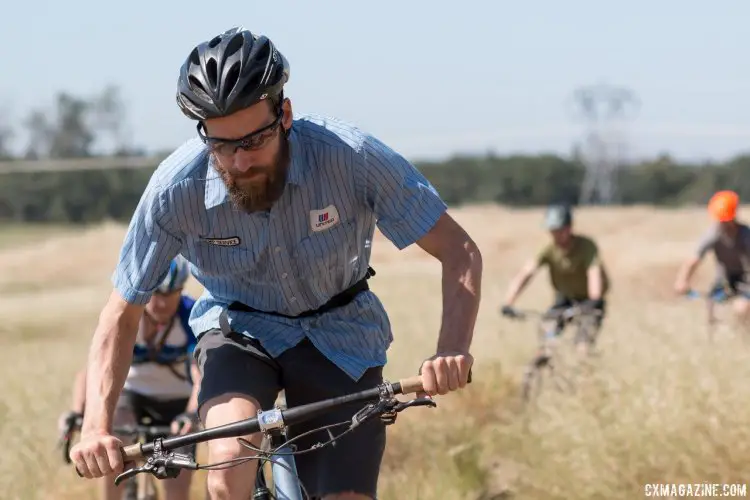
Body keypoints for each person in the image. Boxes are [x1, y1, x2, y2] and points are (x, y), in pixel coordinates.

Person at [69, 26, 481, 500]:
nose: (240, 163)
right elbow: (122, 310)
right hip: (239, 331)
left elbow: (459, 250)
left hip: (340, 333)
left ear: (283, 114)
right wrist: (95, 426)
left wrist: (451, 349)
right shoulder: (174, 190)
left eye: (253, 141)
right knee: (227, 463)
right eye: (222, 146)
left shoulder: (351, 157)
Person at [60, 257, 202, 500]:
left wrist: (191, 414)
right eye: (156, 293)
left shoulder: (190, 315)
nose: (162, 303)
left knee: (177, 480)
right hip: (132, 395)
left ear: (181, 291)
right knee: (114, 440)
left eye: (171, 294)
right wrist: (77, 411)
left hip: (178, 400)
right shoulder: (128, 315)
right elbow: (92, 371)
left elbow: (201, 376)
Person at [500, 204, 609, 357]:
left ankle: (586, 371)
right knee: (547, 337)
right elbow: (526, 273)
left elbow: (594, 273)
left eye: (559, 231)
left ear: (569, 228)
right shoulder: (548, 249)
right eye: (553, 231)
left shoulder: (586, 246)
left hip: (589, 302)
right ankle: (543, 371)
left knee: (582, 347)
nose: (556, 235)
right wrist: (509, 302)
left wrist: (594, 299)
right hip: (564, 300)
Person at [674, 190, 750, 325]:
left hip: (746, 281)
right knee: (708, 309)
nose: (724, 224)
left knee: (741, 309)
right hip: (725, 281)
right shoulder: (713, 234)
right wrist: (682, 280)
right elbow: (694, 259)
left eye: (727, 220)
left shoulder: (746, 235)